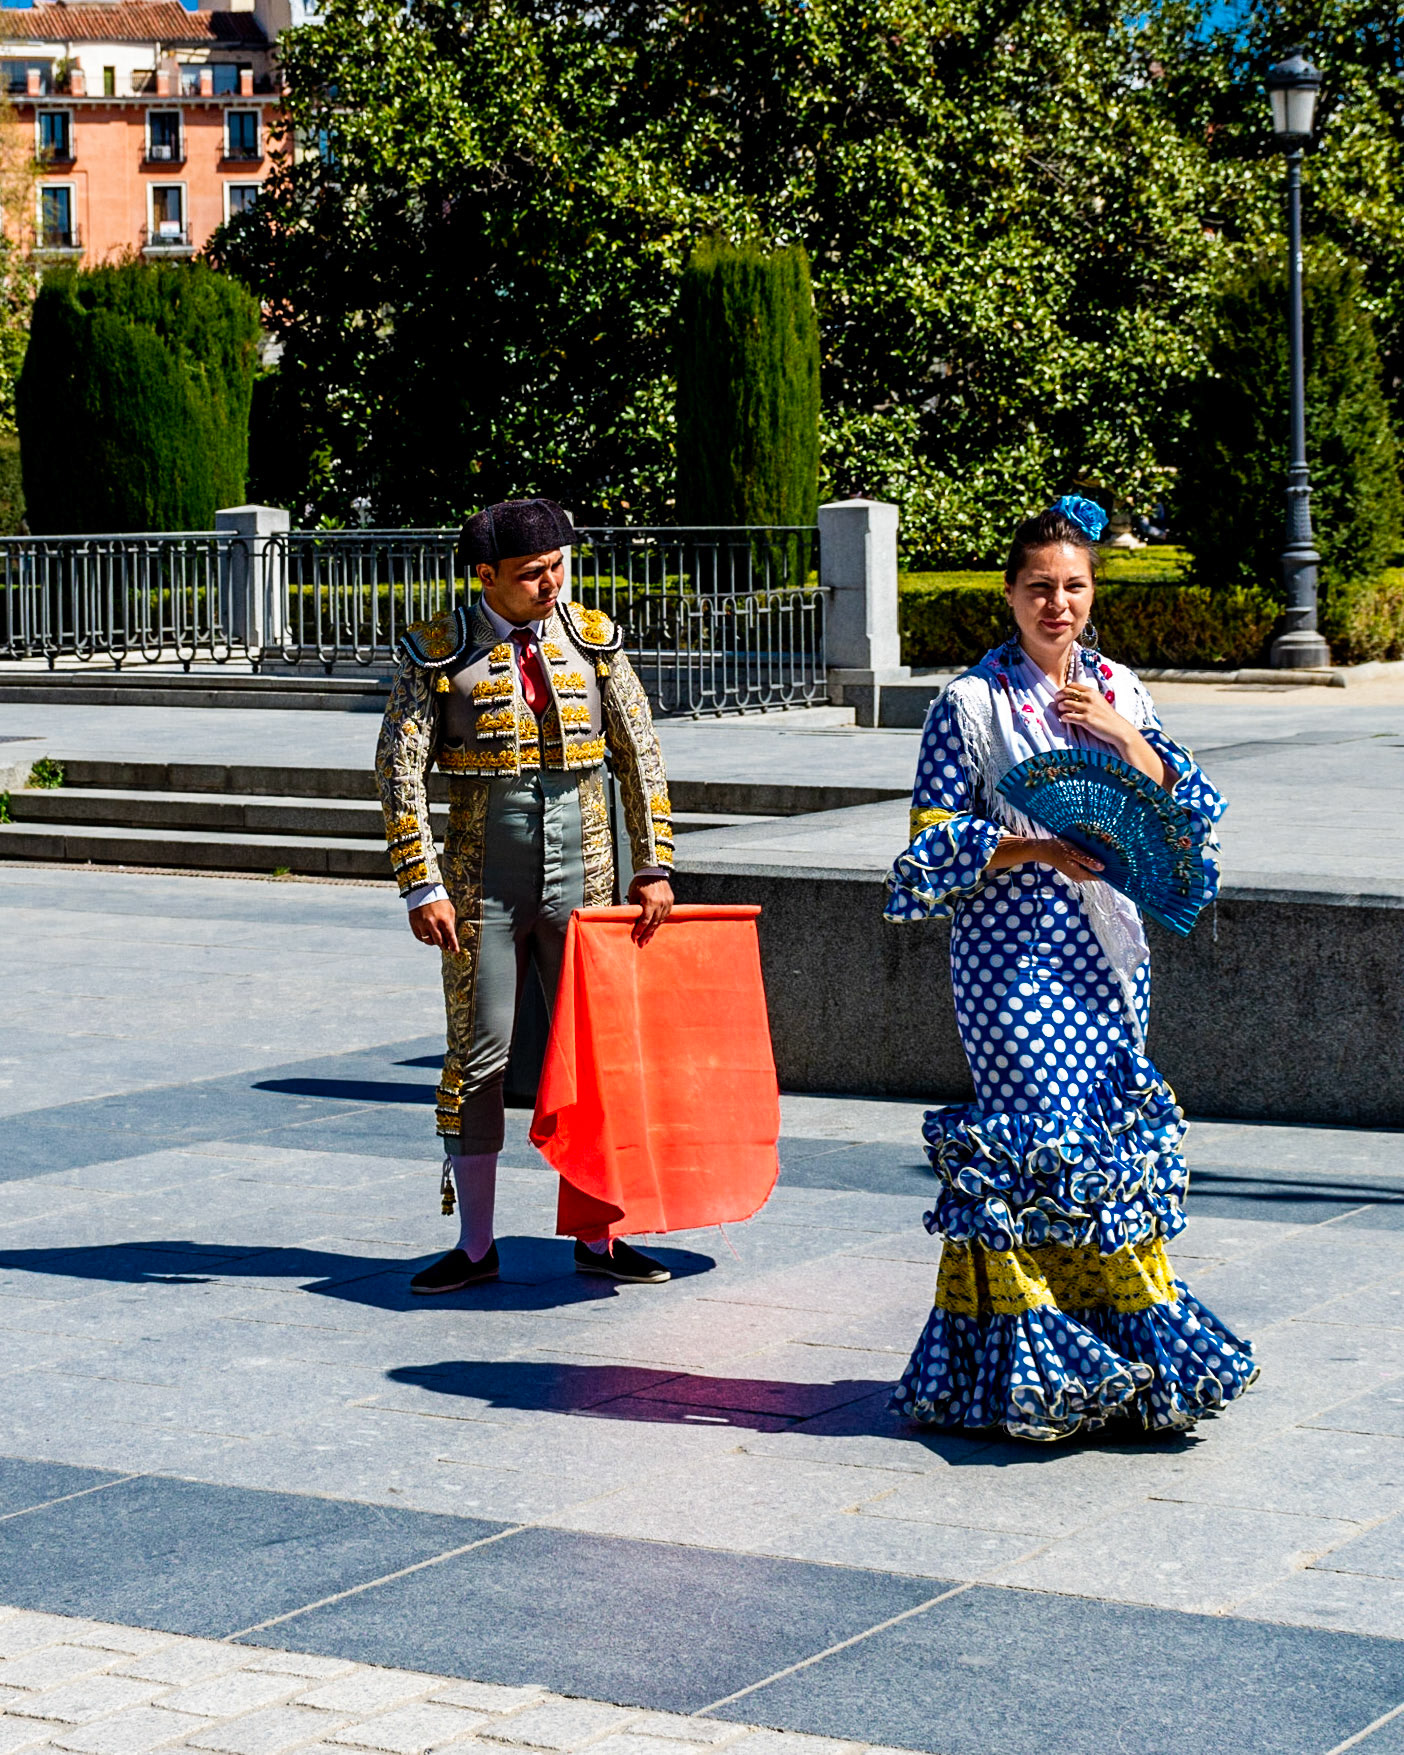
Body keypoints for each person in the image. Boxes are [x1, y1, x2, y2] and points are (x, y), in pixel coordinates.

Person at [883, 495, 1256, 1440]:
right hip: (1010, 956)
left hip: (1109, 953)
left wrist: (1124, 741)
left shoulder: (1123, 688)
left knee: (1102, 1139)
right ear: (1008, 595)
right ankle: (1021, 1368)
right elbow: (929, 846)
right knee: (1028, 1141)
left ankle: (1119, 1358)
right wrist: (1034, 850)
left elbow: (1192, 806)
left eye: (1075, 587)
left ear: (1093, 595)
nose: (1059, 604)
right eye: (1041, 588)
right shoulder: (968, 705)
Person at [376, 497, 676, 1293]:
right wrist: (420, 882)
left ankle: (601, 1237)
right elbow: (399, 773)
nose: (551, 584)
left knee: (598, 1056)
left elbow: (639, 754)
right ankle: (476, 1246)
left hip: (590, 874)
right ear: (486, 576)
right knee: (479, 1057)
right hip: (482, 882)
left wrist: (654, 865)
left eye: (558, 567)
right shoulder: (437, 653)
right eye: (532, 572)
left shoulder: (594, 642)